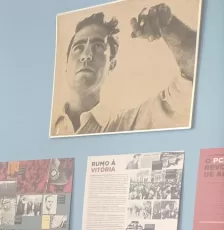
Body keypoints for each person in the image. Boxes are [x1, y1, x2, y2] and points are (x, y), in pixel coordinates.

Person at [52, 6, 197, 135]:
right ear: (66, 64)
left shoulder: (129, 123)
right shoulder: (49, 124)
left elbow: (183, 96)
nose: (86, 55)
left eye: (98, 46)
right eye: (78, 47)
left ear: (111, 65)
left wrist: (174, 31)